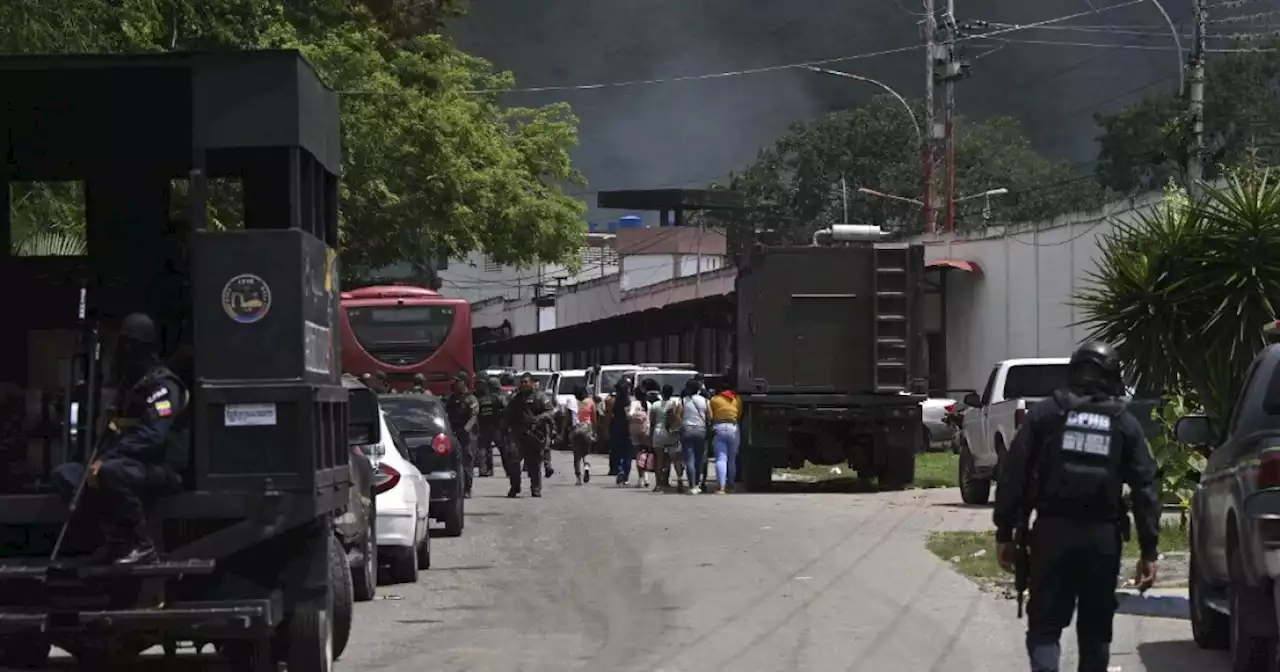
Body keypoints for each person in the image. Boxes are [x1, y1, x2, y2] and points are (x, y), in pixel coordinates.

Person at [993, 340, 1160, 672]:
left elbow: (1013, 473)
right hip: (1102, 538)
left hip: (1051, 533)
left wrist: (1005, 533)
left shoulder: (1045, 413)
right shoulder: (1124, 423)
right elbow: (1145, 486)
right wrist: (1149, 550)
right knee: (1096, 632)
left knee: (1044, 627)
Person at [51, 313, 186, 565]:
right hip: (126, 465)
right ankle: (114, 537)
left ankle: (142, 543)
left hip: (158, 468)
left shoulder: (162, 386)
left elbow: (154, 437)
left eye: (127, 344)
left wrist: (108, 460)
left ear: (139, 347)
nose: (122, 351)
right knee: (66, 475)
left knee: (109, 472)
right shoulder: (130, 385)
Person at [503, 372, 556, 498]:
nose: (523, 384)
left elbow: (550, 411)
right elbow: (508, 416)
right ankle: (515, 486)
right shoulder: (516, 398)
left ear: (532, 383)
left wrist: (539, 418)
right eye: (522, 382)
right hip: (518, 435)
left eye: (526, 382)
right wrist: (504, 431)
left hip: (535, 434)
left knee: (534, 464)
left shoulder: (540, 397)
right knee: (513, 461)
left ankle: (536, 488)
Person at [444, 371, 479, 498]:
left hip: (466, 435)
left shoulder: (471, 399)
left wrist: (465, 430)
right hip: (453, 433)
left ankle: (467, 489)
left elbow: (473, 416)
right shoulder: (452, 398)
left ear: (464, 383)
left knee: (466, 463)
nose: (454, 383)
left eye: (457, 381)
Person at [708, 379, 742, 494]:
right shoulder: (737, 399)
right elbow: (739, 414)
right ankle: (731, 486)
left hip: (719, 427)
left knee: (721, 458)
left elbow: (710, 416)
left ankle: (721, 487)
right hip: (733, 428)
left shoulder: (714, 399)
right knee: (732, 460)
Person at [649, 384, 683, 493]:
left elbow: (652, 422)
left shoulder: (655, 405)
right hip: (671, 433)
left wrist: (650, 436)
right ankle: (679, 479)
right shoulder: (675, 404)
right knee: (675, 458)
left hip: (658, 432)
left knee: (659, 459)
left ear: (661, 393)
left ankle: (658, 484)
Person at [679, 378, 710, 495]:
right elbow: (710, 416)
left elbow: (678, 415)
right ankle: (697, 484)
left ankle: (692, 486)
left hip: (687, 430)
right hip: (701, 430)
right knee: (699, 459)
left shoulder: (683, 401)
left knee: (689, 459)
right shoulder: (705, 400)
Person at [474, 377, 504, 477]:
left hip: (483, 427)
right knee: (503, 449)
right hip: (496, 427)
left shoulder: (480, 399)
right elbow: (506, 410)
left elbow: (476, 414)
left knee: (483, 449)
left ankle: (483, 470)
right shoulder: (498, 398)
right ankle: (509, 470)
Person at [610, 379, 636, 486]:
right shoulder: (629, 402)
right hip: (627, 428)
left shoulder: (616, 401)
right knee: (627, 454)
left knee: (618, 451)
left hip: (617, 428)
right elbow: (629, 416)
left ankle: (620, 469)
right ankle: (625, 475)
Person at [569, 385, 595, 485]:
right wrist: (594, 431)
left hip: (575, 430)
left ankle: (578, 478)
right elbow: (593, 419)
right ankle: (586, 467)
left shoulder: (573, 403)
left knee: (576, 456)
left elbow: (568, 418)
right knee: (586, 453)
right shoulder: (590, 402)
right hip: (586, 429)